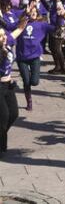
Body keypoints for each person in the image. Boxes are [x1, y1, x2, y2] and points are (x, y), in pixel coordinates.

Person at [16, 2, 57, 111]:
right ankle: (29, 101)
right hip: (22, 58)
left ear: (38, 14)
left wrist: (58, 14)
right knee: (26, 81)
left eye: (35, 12)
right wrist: (26, 13)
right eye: (31, 12)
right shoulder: (21, 24)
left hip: (34, 57)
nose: (33, 14)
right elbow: (13, 23)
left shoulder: (41, 25)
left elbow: (55, 27)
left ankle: (31, 83)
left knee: (34, 81)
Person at [0, 17, 27, 158]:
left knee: (14, 114)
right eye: (1, 36)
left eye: (4, 35)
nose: (4, 37)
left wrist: (26, 15)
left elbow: (19, 30)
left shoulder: (6, 41)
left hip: (8, 85)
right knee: (3, 117)